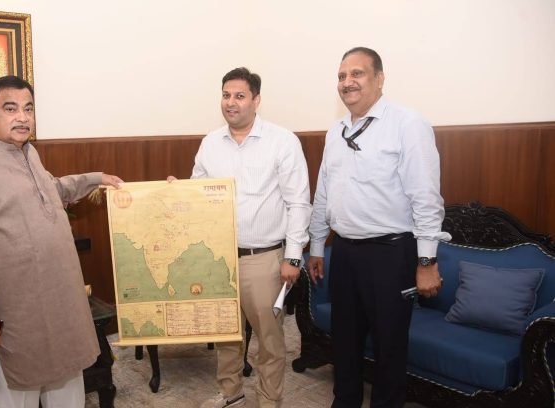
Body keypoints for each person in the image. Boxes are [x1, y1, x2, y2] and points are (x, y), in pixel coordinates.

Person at [0, 75, 123, 408]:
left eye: (28, 109)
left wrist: (96, 178)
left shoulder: (30, 153)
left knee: (67, 384)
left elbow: (52, 190)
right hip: (16, 309)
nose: (22, 117)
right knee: (20, 388)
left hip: (59, 300)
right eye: (10, 108)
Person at [307, 47, 450, 408]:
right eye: (341, 76)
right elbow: (323, 193)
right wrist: (317, 246)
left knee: (389, 349)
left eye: (357, 74)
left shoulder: (408, 124)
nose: (347, 82)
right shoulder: (336, 131)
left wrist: (427, 261)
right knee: (344, 343)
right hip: (344, 253)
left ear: (380, 78)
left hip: (390, 255)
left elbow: (425, 198)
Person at [173, 67, 312, 408]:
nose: (231, 102)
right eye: (226, 95)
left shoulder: (282, 141)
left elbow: (298, 202)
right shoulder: (210, 143)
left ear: (256, 100)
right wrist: (178, 191)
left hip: (263, 259)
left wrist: (293, 257)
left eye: (239, 96)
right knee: (225, 331)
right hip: (218, 259)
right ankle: (231, 392)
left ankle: (269, 400)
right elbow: (199, 192)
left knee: (269, 339)